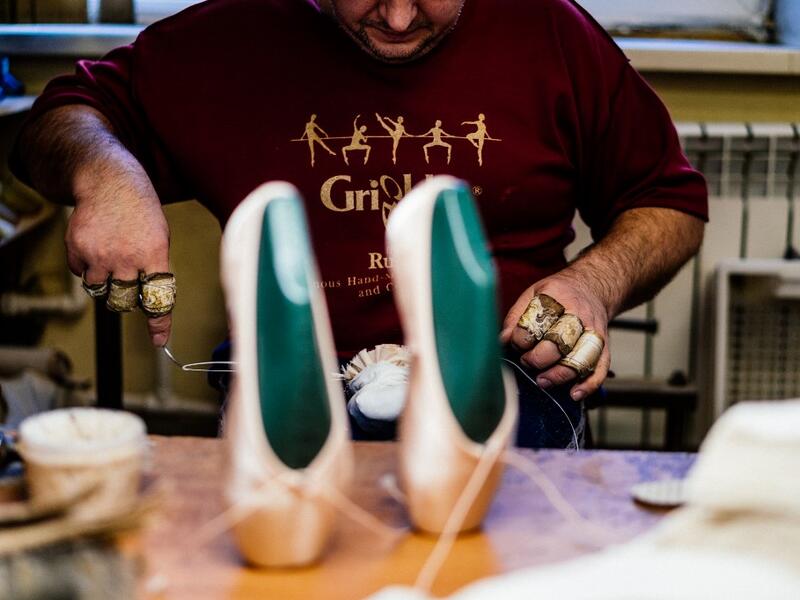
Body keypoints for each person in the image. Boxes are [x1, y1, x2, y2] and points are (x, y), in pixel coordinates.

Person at [10, 0, 707, 447]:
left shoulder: (551, 33)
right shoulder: (225, 40)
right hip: (300, 381)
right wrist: (105, 173)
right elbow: (58, 119)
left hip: (507, 378)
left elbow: (668, 201)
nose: (399, 18)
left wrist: (595, 282)